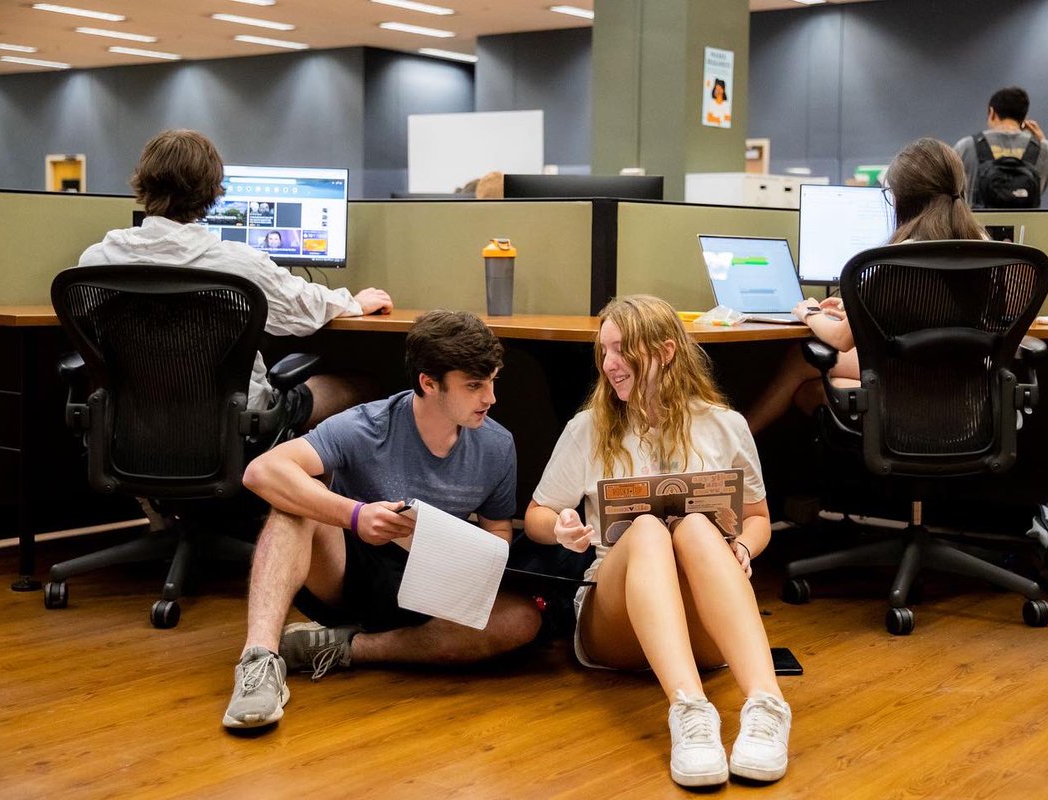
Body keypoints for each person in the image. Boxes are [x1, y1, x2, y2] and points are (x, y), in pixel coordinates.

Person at [223, 310, 541, 730]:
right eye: (474, 385)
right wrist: (354, 516)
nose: (490, 398)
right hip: (351, 571)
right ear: (429, 383)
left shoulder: (498, 445)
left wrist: (481, 560)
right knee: (291, 507)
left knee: (524, 620)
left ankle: (351, 649)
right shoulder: (366, 425)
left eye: (492, 381)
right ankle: (260, 660)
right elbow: (261, 472)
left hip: (432, 588)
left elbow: (499, 527)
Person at [524, 295, 791, 788]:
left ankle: (766, 706)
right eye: (604, 351)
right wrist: (559, 528)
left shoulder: (724, 425)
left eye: (622, 350)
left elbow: (757, 519)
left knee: (693, 526)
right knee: (648, 526)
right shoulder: (588, 428)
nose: (610, 365)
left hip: (703, 622)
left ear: (666, 351)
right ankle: (690, 714)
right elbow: (537, 514)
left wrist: (744, 549)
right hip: (614, 620)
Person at [78, 129, 394, 432]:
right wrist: (354, 302)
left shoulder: (96, 261)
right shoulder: (239, 264)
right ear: (212, 191)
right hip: (238, 421)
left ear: (142, 183)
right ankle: (299, 483)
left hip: (134, 424)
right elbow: (301, 313)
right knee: (364, 385)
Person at [746, 137, 990, 434]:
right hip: (966, 405)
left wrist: (810, 312)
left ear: (902, 197)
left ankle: (738, 444)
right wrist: (856, 313)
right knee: (813, 388)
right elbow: (935, 318)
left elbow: (841, 339)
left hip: (903, 399)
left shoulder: (896, 258)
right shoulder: (984, 247)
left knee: (802, 363)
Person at [953, 86, 1048, 207]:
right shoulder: (1044, 150)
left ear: (992, 112)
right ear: (1023, 119)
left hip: (976, 234)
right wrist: (1044, 141)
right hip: (1027, 234)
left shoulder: (966, 146)